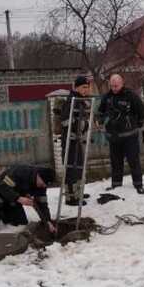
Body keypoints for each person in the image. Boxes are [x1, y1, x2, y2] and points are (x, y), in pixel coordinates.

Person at [97, 74, 144, 194]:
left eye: (116, 85)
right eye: (112, 85)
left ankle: (138, 184)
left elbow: (142, 111)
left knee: (133, 161)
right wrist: (100, 120)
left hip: (130, 136)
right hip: (113, 136)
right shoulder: (107, 97)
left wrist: (138, 124)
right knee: (115, 161)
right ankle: (116, 184)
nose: (114, 88)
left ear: (122, 83)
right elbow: (100, 112)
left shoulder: (130, 96)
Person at [60, 76, 92, 206]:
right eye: (83, 87)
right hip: (70, 140)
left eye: (87, 87)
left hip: (77, 139)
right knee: (71, 168)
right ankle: (70, 197)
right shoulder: (71, 101)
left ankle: (78, 192)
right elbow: (65, 121)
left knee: (78, 166)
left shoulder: (80, 100)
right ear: (76, 87)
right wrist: (78, 126)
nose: (86, 90)